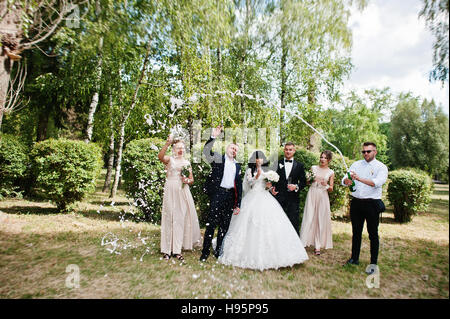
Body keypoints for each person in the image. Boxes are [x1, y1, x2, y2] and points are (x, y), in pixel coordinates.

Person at [218, 150, 309, 271]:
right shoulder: (250, 170)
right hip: (253, 197)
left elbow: (268, 184)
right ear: (254, 160)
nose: (259, 160)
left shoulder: (268, 170)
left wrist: (271, 188)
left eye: (261, 158)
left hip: (265, 197)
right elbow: (250, 183)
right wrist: (258, 172)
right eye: (257, 158)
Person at [342, 142, 388, 273]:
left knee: (373, 234)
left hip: (372, 204)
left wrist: (359, 178)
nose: (366, 154)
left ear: (375, 152)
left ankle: (373, 264)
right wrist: (347, 181)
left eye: (368, 151)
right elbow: (345, 178)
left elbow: (376, 183)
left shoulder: (381, 167)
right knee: (356, 233)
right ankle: (354, 258)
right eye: (364, 152)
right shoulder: (356, 164)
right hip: (356, 203)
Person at [199, 126, 243, 262]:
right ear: (227, 149)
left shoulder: (238, 166)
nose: (234, 151)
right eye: (232, 148)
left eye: (236, 150)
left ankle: (218, 251)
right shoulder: (218, 158)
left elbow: (239, 186)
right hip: (218, 194)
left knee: (224, 226)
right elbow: (206, 152)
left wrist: (238, 204)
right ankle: (205, 252)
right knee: (211, 224)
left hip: (230, 197)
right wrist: (213, 137)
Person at [158, 134, 202, 262]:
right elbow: (160, 157)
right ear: (173, 149)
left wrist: (186, 180)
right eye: (178, 147)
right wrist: (167, 143)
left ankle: (177, 250)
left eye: (182, 148)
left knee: (179, 219)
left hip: (182, 191)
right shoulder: (169, 160)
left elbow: (191, 180)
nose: (181, 150)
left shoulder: (187, 163)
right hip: (170, 189)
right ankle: (166, 250)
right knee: (168, 217)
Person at [300, 150, 335, 256]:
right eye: (321, 157)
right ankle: (303, 242)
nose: (322, 159)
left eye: (324, 158)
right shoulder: (313, 168)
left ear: (329, 160)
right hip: (312, 193)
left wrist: (326, 185)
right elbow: (306, 182)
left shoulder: (331, 172)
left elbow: (331, 189)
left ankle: (317, 245)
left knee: (320, 219)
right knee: (309, 216)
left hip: (322, 195)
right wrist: (310, 179)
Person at [270, 142, 306, 235]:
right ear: (284, 150)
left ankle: (294, 246)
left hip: (293, 199)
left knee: (293, 222)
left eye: (290, 150)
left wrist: (296, 186)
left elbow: (303, 182)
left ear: (294, 151)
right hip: (279, 197)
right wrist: (271, 189)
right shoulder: (277, 163)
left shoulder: (299, 166)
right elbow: (270, 179)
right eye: (286, 149)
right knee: (276, 221)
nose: (288, 151)